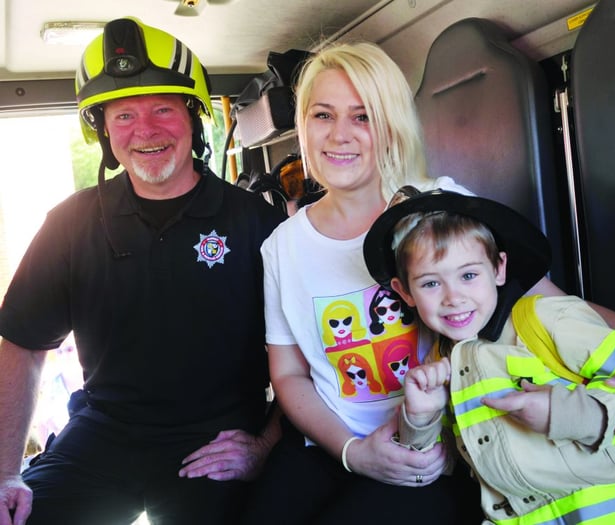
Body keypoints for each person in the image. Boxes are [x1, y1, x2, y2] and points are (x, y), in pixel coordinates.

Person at [0, 17, 285, 525]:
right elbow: (22, 345)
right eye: (124, 114)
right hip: (103, 431)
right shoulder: (69, 223)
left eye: (162, 109)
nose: (145, 131)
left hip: (216, 441)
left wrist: (263, 447)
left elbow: (308, 355)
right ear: (103, 132)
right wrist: (5, 474)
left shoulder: (256, 222)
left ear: (193, 120)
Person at [240, 41, 485, 525]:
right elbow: (287, 375)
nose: (339, 135)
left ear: (390, 124)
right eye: (323, 115)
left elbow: (540, 303)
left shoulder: (444, 204)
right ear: (303, 125)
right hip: (330, 446)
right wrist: (353, 452)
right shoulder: (282, 247)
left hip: (432, 451)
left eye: (363, 117)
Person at [363, 188, 615, 524]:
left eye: (468, 275)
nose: (453, 297)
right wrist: (420, 420)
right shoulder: (440, 363)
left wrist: (568, 413)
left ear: (498, 268)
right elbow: (460, 458)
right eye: (431, 284)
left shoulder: (549, 319)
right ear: (404, 291)